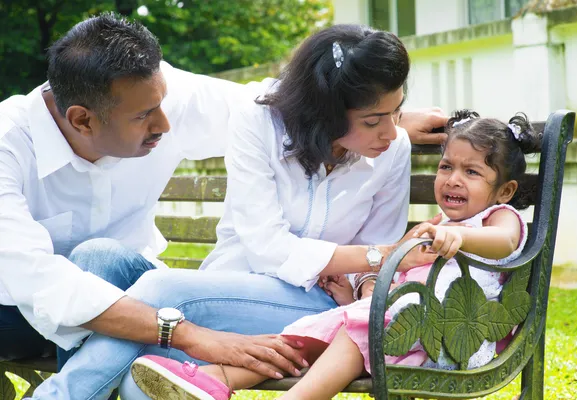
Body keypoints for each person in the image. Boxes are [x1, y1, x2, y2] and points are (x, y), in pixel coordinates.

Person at [27, 24, 448, 399]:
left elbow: (376, 254)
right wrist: (380, 253)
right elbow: (268, 247)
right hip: (225, 286)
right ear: (325, 112)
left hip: (317, 306)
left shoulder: (393, 149)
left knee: (160, 292)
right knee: (95, 260)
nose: (391, 132)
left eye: (396, 112)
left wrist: (364, 279)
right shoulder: (259, 121)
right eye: (374, 120)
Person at [129, 109, 540, 400]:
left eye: (471, 172)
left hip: (442, 328)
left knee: (347, 334)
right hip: (392, 318)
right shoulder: (440, 224)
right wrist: (353, 295)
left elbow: (505, 244)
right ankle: (213, 378)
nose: (452, 179)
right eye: (446, 167)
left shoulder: (497, 219)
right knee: (307, 335)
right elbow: (402, 279)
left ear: (504, 191)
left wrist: (461, 240)